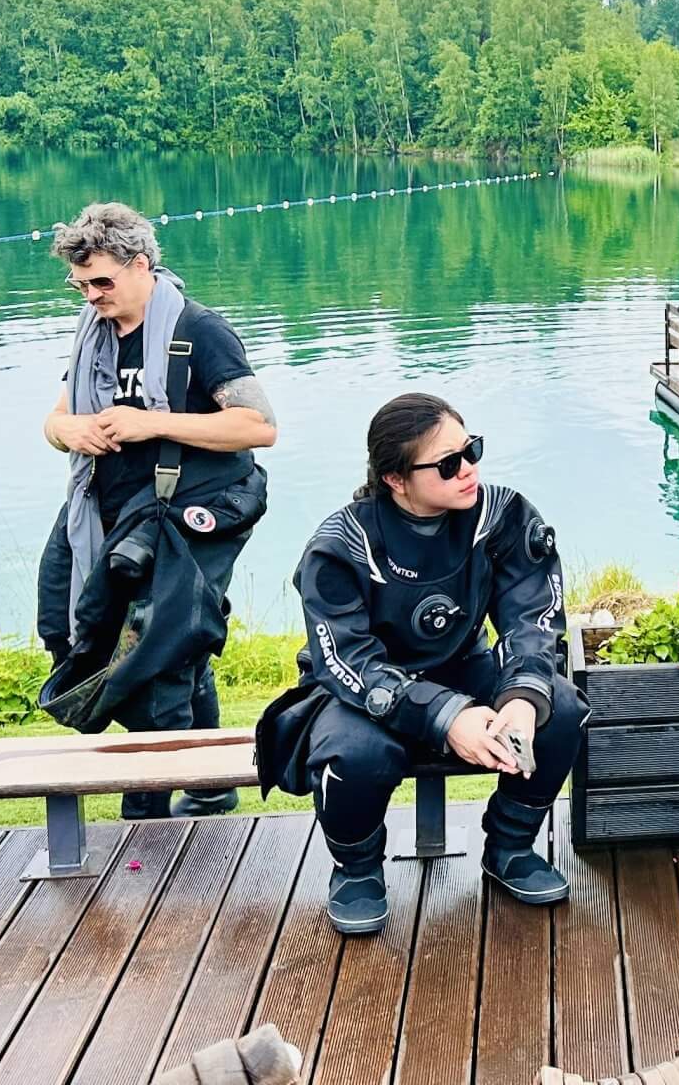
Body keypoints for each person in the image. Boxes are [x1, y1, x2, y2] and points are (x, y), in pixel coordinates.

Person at [253, 393, 584, 936]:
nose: (468, 470)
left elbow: (533, 618)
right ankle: (357, 870)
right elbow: (348, 659)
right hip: (358, 689)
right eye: (449, 463)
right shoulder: (341, 546)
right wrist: (447, 716)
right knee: (355, 752)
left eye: (471, 450)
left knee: (561, 708)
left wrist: (522, 698)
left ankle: (510, 847)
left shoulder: (501, 517)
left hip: (460, 664)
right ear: (396, 479)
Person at [37, 202, 276, 822]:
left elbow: (258, 426)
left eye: (102, 282)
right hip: (107, 508)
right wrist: (72, 431)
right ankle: (211, 784)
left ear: (140, 265)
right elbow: (53, 421)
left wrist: (152, 422)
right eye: (80, 284)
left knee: (158, 652)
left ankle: (145, 810)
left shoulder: (200, 331)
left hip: (195, 507)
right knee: (63, 621)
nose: (91, 296)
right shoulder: (93, 337)